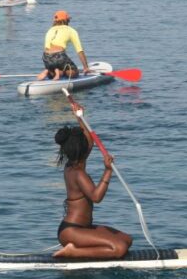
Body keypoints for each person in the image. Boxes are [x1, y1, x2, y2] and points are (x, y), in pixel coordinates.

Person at [53, 108, 132, 259]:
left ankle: (85, 248)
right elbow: (96, 197)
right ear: (83, 150)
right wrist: (108, 170)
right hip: (71, 231)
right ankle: (73, 251)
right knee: (120, 248)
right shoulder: (78, 173)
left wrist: (79, 117)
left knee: (127, 239)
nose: (90, 146)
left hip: (83, 228)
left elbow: (90, 139)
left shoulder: (74, 163)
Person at [36, 10, 90, 80]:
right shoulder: (71, 30)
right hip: (59, 55)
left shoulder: (49, 31)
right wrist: (86, 68)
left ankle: (48, 71)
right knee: (75, 72)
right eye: (68, 20)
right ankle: (59, 72)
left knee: (52, 74)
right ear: (66, 20)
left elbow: (47, 48)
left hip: (46, 56)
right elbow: (80, 51)